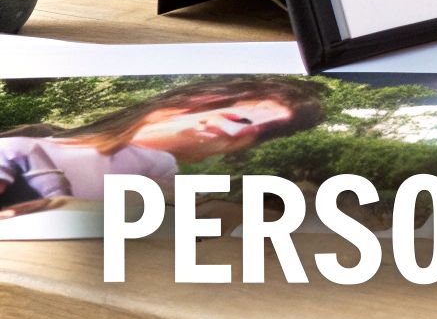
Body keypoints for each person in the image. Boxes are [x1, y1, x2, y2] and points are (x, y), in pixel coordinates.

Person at [0, 77, 326, 220]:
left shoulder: (161, 189)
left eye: (257, 133)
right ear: (195, 101)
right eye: (239, 115)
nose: (237, 130)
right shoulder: (33, 137)